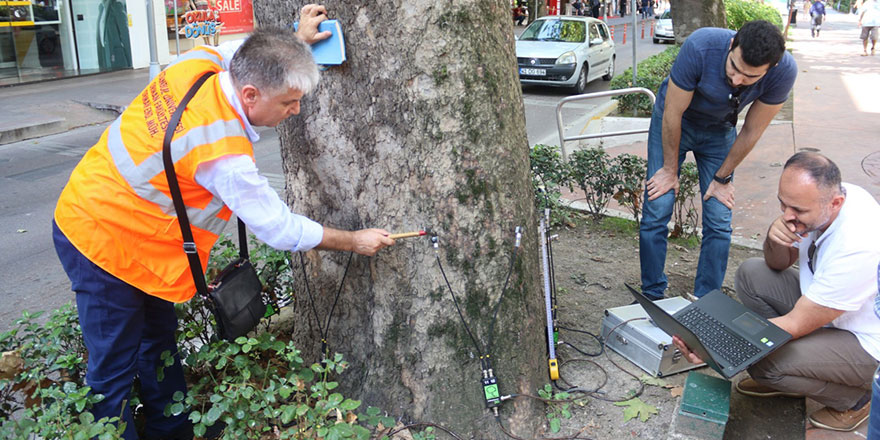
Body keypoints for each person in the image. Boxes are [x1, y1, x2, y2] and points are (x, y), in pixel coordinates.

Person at [52, 4, 395, 439]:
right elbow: (278, 228)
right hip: (99, 241)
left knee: (158, 344)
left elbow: (246, 53)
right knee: (112, 372)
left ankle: (173, 432)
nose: (295, 111)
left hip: (133, 235)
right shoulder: (223, 154)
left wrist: (295, 39)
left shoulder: (198, 64)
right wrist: (354, 240)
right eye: (289, 102)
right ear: (250, 95)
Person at [674, 152, 880, 432]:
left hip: (865, 343)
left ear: (836, 203)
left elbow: (796, 324)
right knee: (751, 274)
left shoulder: (859, 244)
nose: (787, 216)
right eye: (783, 204)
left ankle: (857, 400)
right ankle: (797, 372)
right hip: (827, 310)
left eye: (797, 211)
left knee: (763, 365)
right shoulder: (825, 200)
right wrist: (776, 235)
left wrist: (718, 346)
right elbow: (777, 263)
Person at [639, 20, 797, 301]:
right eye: (734, 67)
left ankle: (706, 300)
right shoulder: (701, 46)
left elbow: (752, 129)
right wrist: (669, 169)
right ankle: (652, 294)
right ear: (731, 44)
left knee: (719, 219)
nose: (737, 80)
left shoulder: (783, 71)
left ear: (770, 68)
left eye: (749, 77)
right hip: (677, 121)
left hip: (720, 131)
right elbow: (673, 113)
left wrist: (722, 178)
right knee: (658, 207)